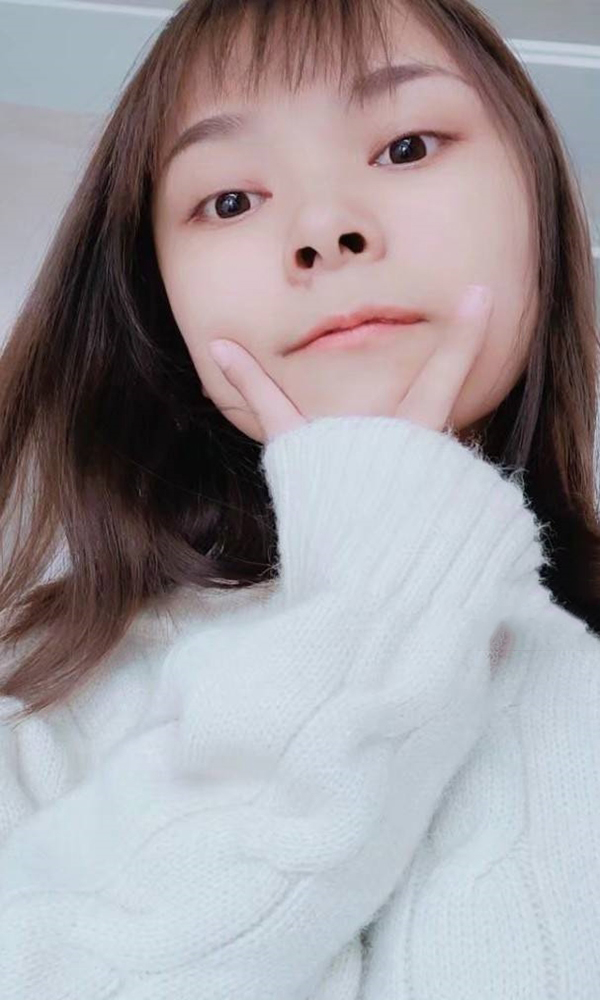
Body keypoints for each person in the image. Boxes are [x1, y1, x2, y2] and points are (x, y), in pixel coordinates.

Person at [0, 0, 598, 996]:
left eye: (407, 147)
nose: (326, 229)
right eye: (231, 200)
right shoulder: (41, 700)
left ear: (539, 196)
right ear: (160, 298)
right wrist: (374, 586)